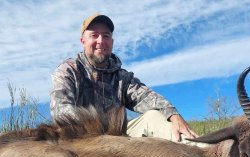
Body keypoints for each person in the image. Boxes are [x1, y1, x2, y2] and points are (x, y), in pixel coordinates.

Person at [50, 13, 198, 142]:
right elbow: (61, 112)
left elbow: (146, 97)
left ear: (112, 42)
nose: (101, 41)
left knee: (154, 116)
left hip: (119, 139)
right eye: (94, 35)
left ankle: (199, 151)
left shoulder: (122, 77)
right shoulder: (68, 70)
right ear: (83, 42)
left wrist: (173, 114)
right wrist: (100, 127)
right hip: (81, 140)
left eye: (106, 36)